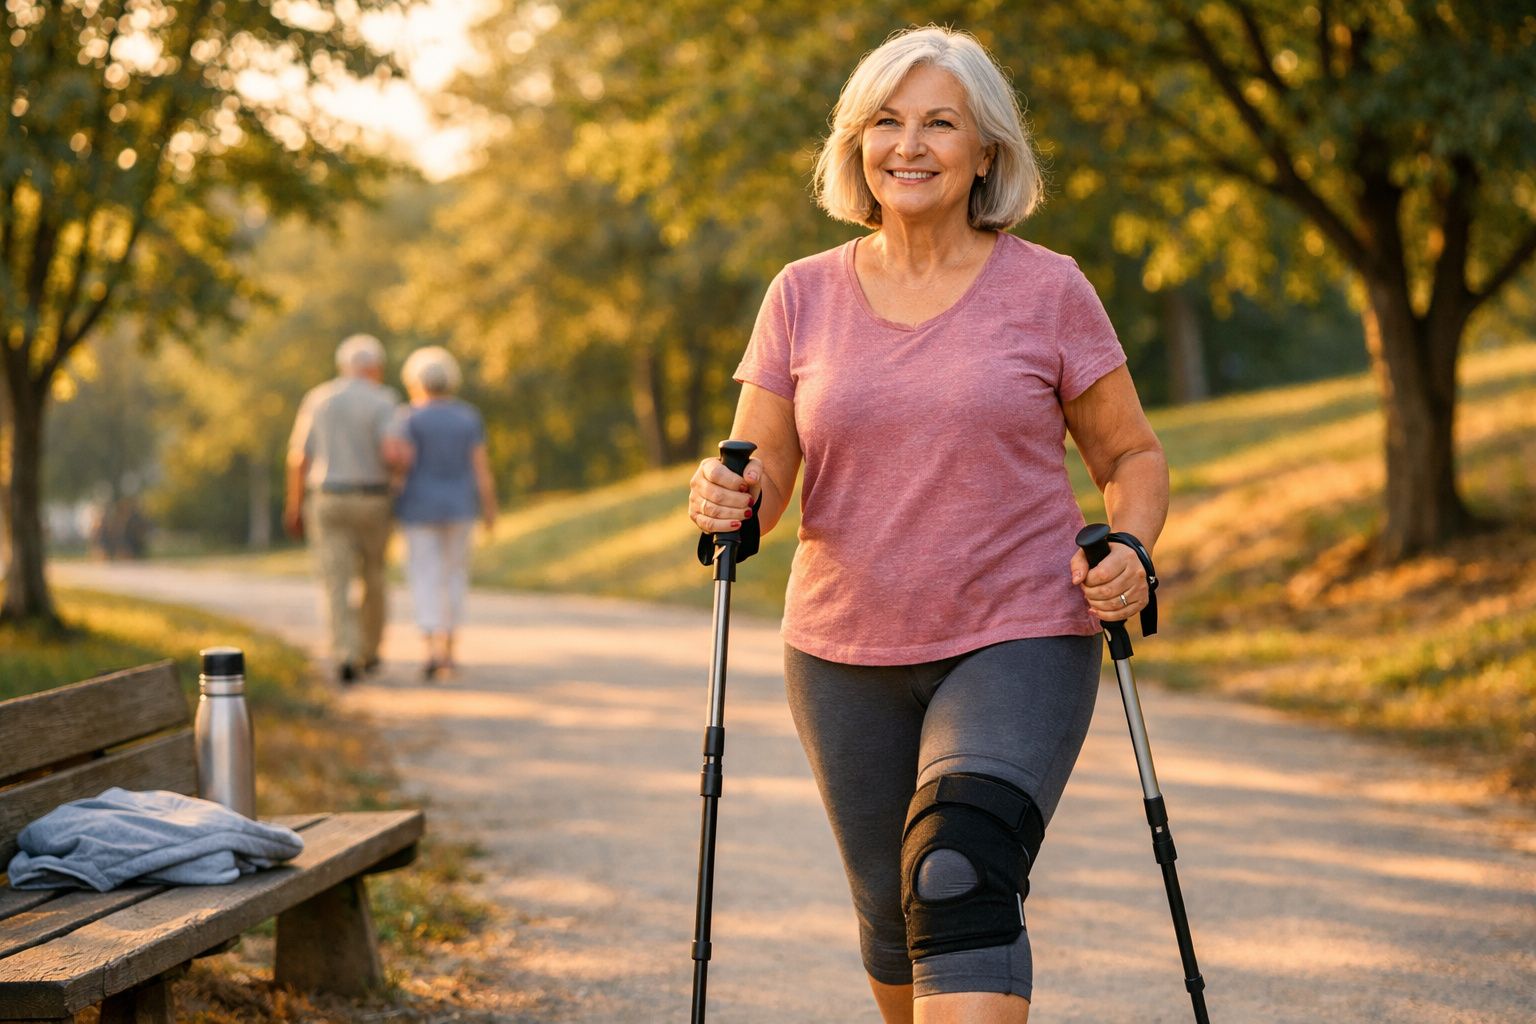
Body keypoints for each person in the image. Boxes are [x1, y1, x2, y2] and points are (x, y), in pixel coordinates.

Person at [687, 26, 1169, 1024]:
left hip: (1020, 631)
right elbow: (764, 468)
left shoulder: (1049, 289)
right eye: (886, 122)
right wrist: (730, 495)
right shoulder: (801, 295)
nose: (908, 145)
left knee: (957, 869)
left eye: (939, 123)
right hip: (840, 647)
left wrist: (1129, 547)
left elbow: (1131, 457)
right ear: (855, 145)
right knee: (889, 911)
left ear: (986, 150)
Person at [284, 333, 400, 684]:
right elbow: (393, 452)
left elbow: (299, 457)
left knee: (335, 579)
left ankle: (345, 652)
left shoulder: (319, 399)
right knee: (374, 575)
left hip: (329, 498)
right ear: (375, 368)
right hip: (374, 499)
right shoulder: (384, 400)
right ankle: (371, 649)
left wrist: (294, 505)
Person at [384, 346, 497, 681]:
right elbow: (480, 468)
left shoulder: (407, 418)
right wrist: (490, 507)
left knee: (424, 575)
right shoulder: (467, 417)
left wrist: (391, 503)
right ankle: (450, 650)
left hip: (418, 508)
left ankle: (431, 648)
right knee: (454, 576)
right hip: (460, 507)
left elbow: (400, 469)